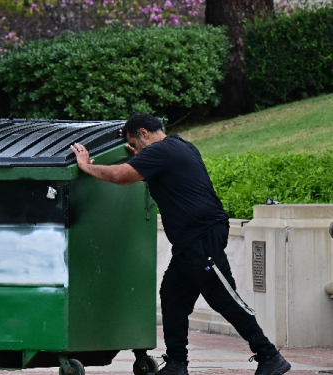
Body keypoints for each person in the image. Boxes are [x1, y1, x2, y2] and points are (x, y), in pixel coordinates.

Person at [69, 113, 291, 375]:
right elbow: (147, 164)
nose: (136, 150)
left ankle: (270, 356)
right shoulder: (180, 146)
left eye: (135, 143)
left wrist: (86, 166)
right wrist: (139, 154)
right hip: (189, 242)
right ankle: (176, 364)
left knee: (225, 299)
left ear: (143, 133)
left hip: (202, 237)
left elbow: (121, 176)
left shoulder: (161, 151)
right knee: (172, 297)